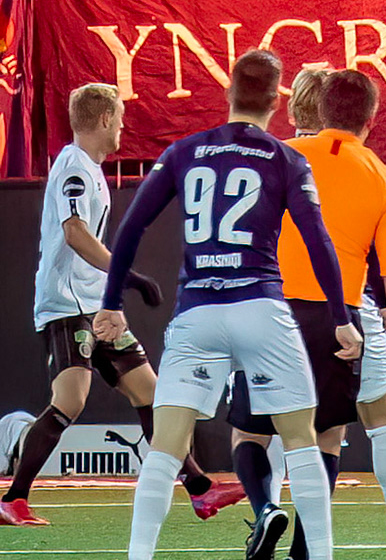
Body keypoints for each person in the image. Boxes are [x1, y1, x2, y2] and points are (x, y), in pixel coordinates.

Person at [94, 47, 357, 560]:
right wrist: (340, 318)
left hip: (197, 313)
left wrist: (112, 303)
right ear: (276, 101)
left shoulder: (184, 151)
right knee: (301, 442)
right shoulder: (285, 158)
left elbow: (132, 228)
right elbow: (318, 241)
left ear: (229, 92)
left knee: (165, 449)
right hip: (261, 308)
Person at [0, 84, 244, 527]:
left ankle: (200, 489)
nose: (123, 128)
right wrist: (127, 276)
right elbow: (74, 232)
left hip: (94, 302)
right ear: (105, 119)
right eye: (120, 119)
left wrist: (112, 295)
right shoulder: (73, 167)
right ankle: (13, 498)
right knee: (70, 400)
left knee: (150, 393)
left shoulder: (90, 169)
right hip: (68, 303)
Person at [227, 67, 386, 560]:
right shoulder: (379, 176)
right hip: (338, 315)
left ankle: (265, 509)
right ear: (371, 119)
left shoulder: (278, 156)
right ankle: (305, 558)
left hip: (268, 305)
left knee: (251, 430)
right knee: (328, 433)